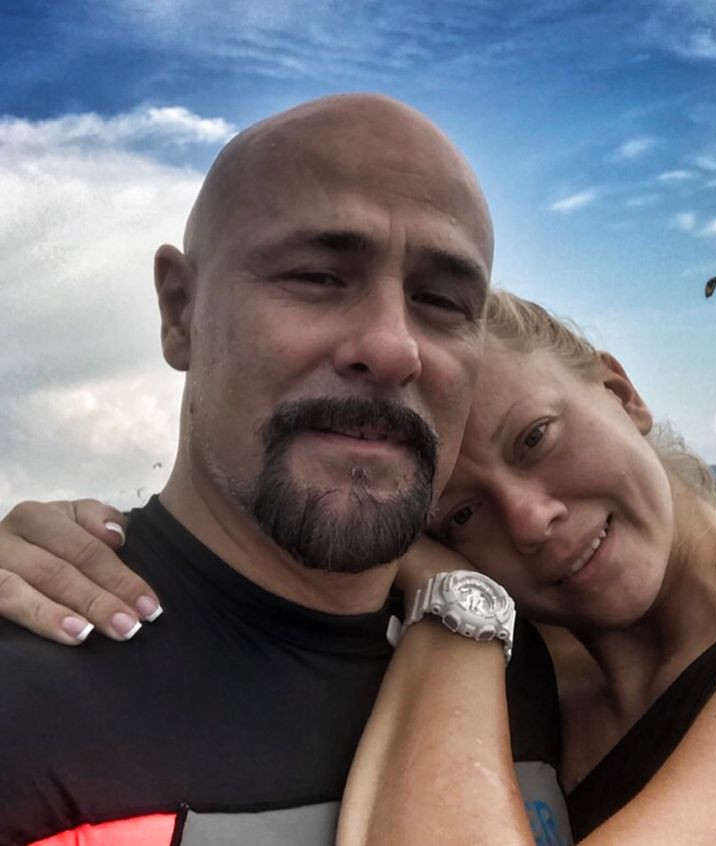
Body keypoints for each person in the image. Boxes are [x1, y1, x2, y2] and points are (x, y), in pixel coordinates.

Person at [0, 293, 716, 844]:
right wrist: (77, 545)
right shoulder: (547, 657)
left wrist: (454, 600)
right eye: (461, 515)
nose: (533, 520)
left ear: (620, 392)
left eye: (536, 438)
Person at [0, 96, 570, 845]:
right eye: (317, 277)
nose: (392, 348)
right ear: (179, 310)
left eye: (440, 300)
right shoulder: (21, 702)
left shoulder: (527, 658)